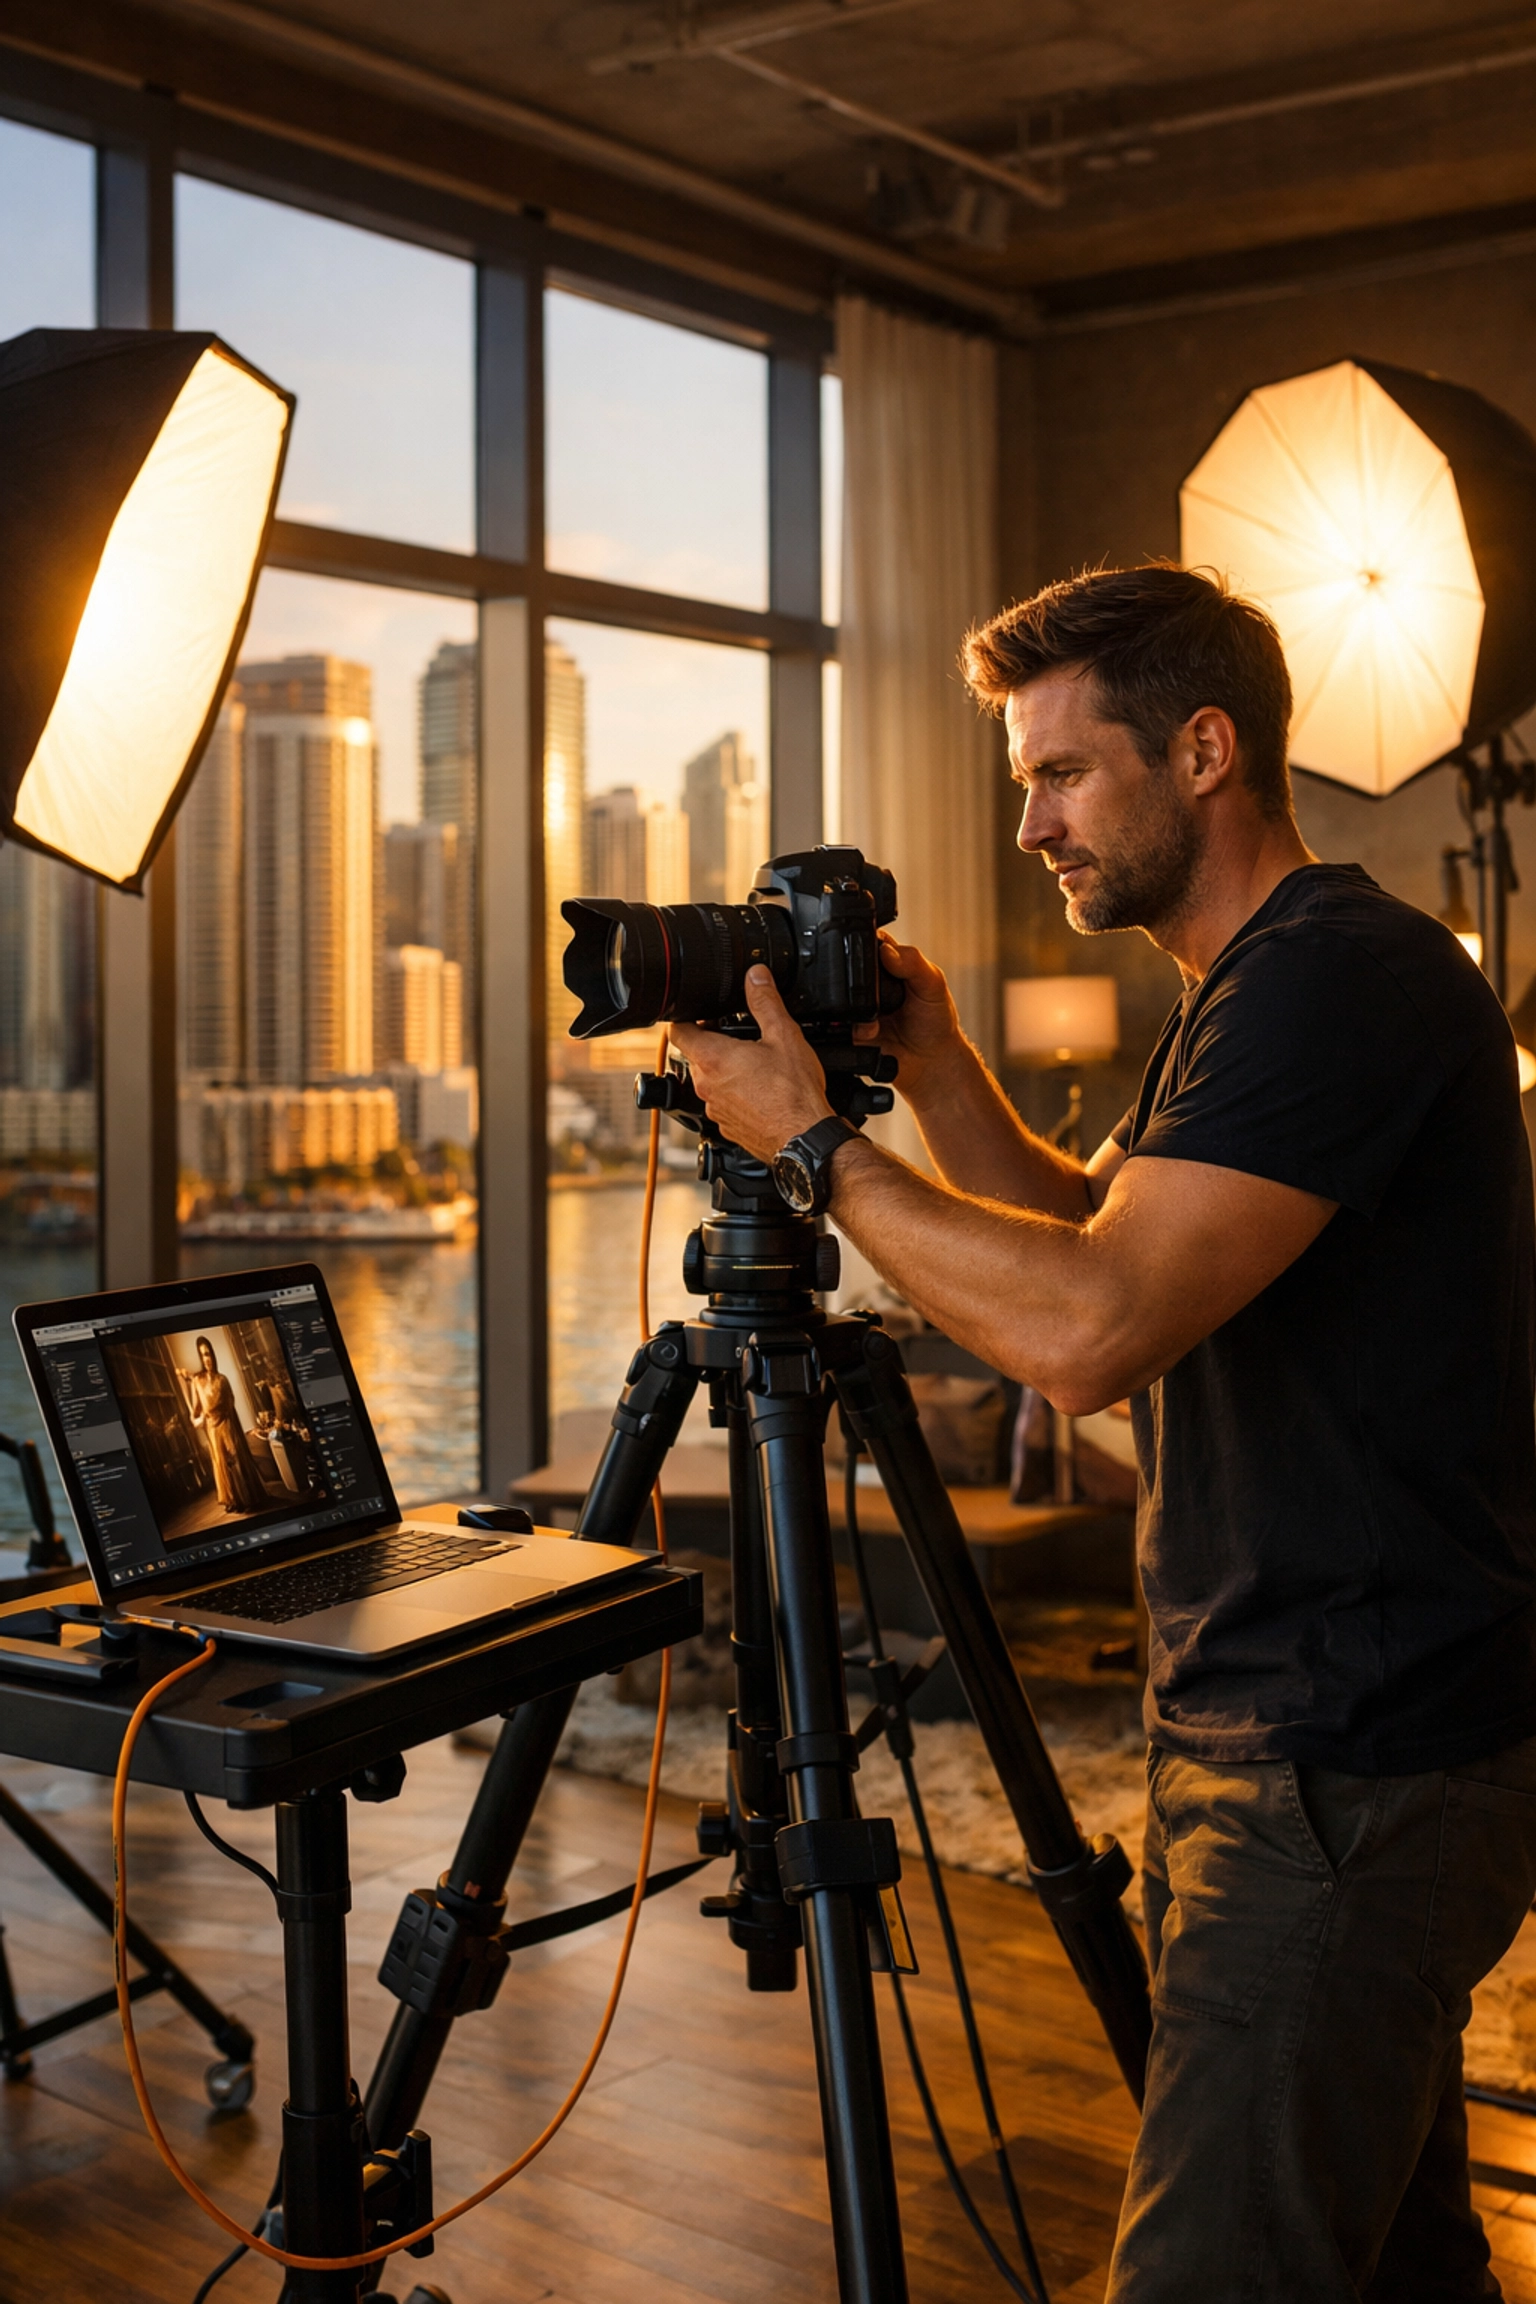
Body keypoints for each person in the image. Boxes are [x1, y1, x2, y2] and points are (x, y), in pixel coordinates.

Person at [670, 563, 1536, 2303]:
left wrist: (807, 1150)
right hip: (1333, 1729)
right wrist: (929, 1064)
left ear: (1202, 749)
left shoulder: (1330, 976)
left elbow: (1086, 1332)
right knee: (1392, 2261)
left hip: (1343, 1753)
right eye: (1020, 783)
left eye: (1060, 774)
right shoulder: (1261, 978)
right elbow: (1109, 1241)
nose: (1029, 825)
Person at [179, 1336, 267, 1515]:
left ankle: (246, 1497)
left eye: (209, 1354)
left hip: (227, 1425)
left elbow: (230, 1405)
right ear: (201, 1358)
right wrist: (196, 1418)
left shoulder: (222, 1380)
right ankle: (232, 1499)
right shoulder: (198, 1381)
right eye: (204, 1355)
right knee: (221, 1463)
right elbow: (195, 1411)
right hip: (212, 1429)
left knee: (235, 1460)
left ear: (213, 1355)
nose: (207, 1359)